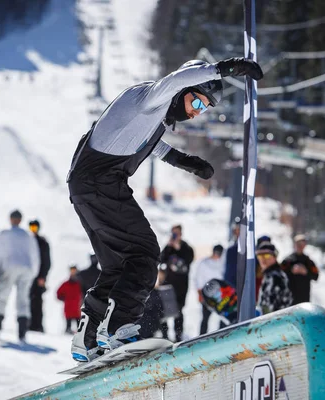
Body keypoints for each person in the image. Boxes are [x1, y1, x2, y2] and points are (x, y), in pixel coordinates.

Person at [67, 57, 263, 361]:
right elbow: (175, 80)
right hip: (101, 184)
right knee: (145, 253)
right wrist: (227, 68)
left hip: (87, 184)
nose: (196, 114)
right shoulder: (152, 96)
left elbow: (152, 145)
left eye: (203, 111)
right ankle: (119, 329)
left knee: (119, 265)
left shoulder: (151, 119)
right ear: (186, 88)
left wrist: (186, 162)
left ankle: (87, 337)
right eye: (197, 104)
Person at [0, 210, 40, 342]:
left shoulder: (4, 234)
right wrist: (33, 273)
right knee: (23, 299)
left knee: (3, 297)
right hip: (26, 269)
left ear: (10, 219)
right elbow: (35, 256)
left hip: (9, 267)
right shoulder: (28, 235)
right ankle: (22, 332)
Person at [159, 225, 195, 342]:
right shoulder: (168, 248)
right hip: (167, 285)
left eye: (177, 233)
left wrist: (178, 247)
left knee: (178, 311)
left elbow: (189, 259)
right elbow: (161, 259)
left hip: (181, 286)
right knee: (163, 310)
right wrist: (169, 247)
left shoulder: (186, 248)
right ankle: (164, 336)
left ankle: (178, 336)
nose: (175, 236)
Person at [193, 244, 225, 334]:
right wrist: (199, 294)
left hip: (220, 295)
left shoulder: (222, 263)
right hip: (206, 295)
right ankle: (201, 338)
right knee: (205, 318)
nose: (217, 256)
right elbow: (198, 279)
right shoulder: (204, 263)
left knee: (223, 318)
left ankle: (222, 336)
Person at [280, 234, 319, 304]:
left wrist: (306, 272)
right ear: (294, 245)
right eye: (298, 244)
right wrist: (291, 271)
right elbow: (280, 275)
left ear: (305, 245)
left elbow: (316, 276)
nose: (300, 246)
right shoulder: (287, 260)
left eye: (302, 244)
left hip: (304, 299)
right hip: (290, 299)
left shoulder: (309, 262)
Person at [255, 242, 292, 315]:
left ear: (275, 256)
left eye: (267, 255)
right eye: (259, 255)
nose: (263, 259)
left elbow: (270, 310)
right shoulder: (269, 275)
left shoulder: (276, 277)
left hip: (276, 323)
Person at [28, 219, 51, 333]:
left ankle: (38, 325)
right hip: (28, 276)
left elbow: (47, 261)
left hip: (38, 277)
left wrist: (43, 276)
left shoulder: (42, 242)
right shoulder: (27, 240)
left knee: (37, 300)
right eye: (31, 227)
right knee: (27, 299)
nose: (33, 230)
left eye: (35, 228)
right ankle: (28, 323)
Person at [56, 265, 83, 334]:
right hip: (68, 308)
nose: (73, 272)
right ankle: (67, 331)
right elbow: (58, 292)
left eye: (74, 270)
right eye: (72, 271)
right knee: (68, 325)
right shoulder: (66, 284)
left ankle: (80, 333)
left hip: (77, 309)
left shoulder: (80, 284)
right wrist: (62, 298)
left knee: (79, 327)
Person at [223, 222, 240, 288]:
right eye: (236, 230)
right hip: (231, 285)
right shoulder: (229, 248)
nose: (237, 232)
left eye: (239, 229)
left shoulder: (251, 248)